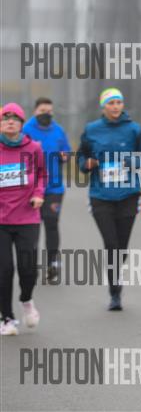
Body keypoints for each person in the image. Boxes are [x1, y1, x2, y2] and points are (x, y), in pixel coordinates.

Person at [77, 87, 141, 310]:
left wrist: (131, 162)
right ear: (103, 107)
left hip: (128, 194)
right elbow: (81, 157)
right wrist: (86, 164)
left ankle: (115, 280)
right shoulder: (92, 129)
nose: (115, 107)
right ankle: (114, 293)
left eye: (118, 102)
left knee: (121, 247)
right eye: (111, 103)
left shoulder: (134, 129)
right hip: (101, 195)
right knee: (111, 244)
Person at [0, 103, 47, 335]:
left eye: (15, 119)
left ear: (21, 123)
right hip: (1, 220)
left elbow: (41, 174)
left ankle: (26, 300)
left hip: (27, 217)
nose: (10, 122)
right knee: (4, 269)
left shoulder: (34, 148)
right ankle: (7, 318)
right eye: (5, 118)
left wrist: (38, 194)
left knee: (28, 269)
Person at [23, 97, 72, 282]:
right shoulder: (26, 130)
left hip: (54, 188)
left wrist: (65, 155)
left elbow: (67, 151)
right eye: (43, 111)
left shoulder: (58, 130)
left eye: (50, 111)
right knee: (32, 227)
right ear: (35, 111)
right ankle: (30, 264)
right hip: (30, 188)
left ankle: (53, 263)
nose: (47, 114)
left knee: (51, 223)